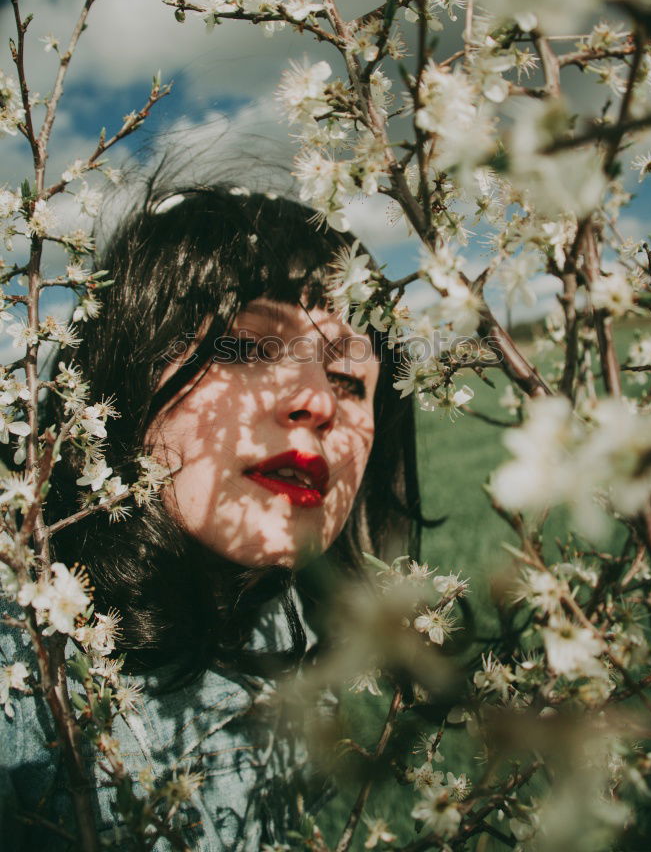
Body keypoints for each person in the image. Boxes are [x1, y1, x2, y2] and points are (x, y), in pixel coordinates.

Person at [0, 180, 422, 850]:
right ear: (120, 370)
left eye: (348, 379)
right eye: (249, 348)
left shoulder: (300, 639)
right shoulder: (20, 687)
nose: (317, 400)